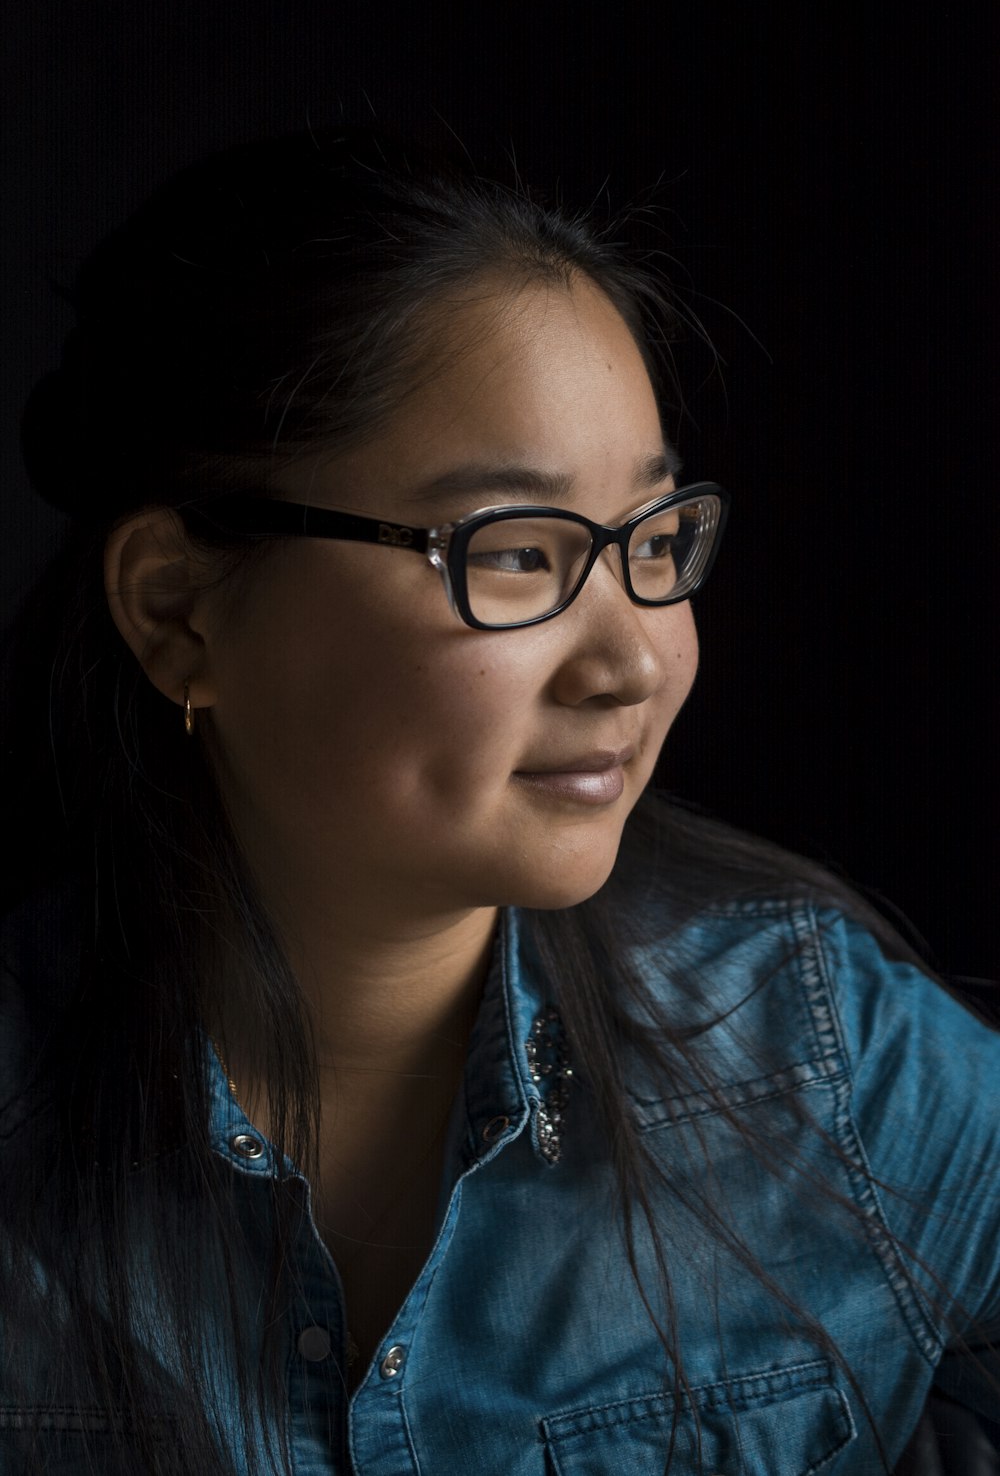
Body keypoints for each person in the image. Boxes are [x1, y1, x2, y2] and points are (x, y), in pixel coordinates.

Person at [1, 126, 997, 1476]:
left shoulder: (827, 1072)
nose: (634, 658)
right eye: (516, 554)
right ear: (177, 614)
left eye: (656, 543)